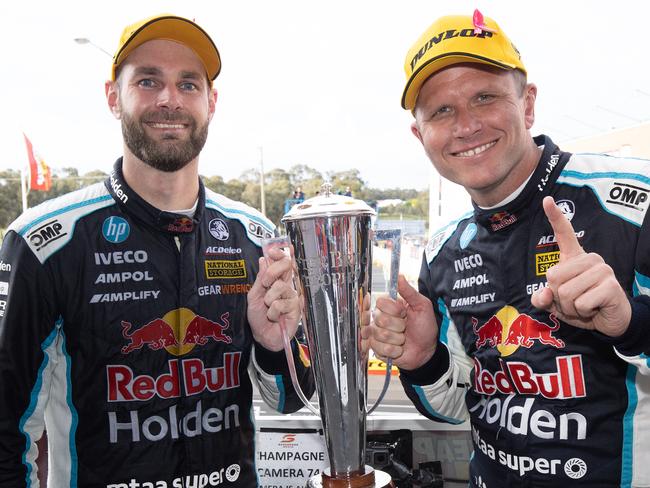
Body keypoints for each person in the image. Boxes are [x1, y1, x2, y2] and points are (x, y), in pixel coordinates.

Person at [0, 13, 314, 487]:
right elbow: (6, 430)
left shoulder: (255, 236)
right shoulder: (46, 242)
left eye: (188, 84)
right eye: (148, 81)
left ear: (211, 102)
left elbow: (294, 399)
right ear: (113, 97)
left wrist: (277, 347)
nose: (170, 99)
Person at [368, 10, 650, 487]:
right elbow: (457, 406)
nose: (466, 125)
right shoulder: (442, 250)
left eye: (484, 97)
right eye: (441, 111)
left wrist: (630, 325)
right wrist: (423, 361)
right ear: (421, 135)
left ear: (528, 104)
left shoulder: (632, 201)